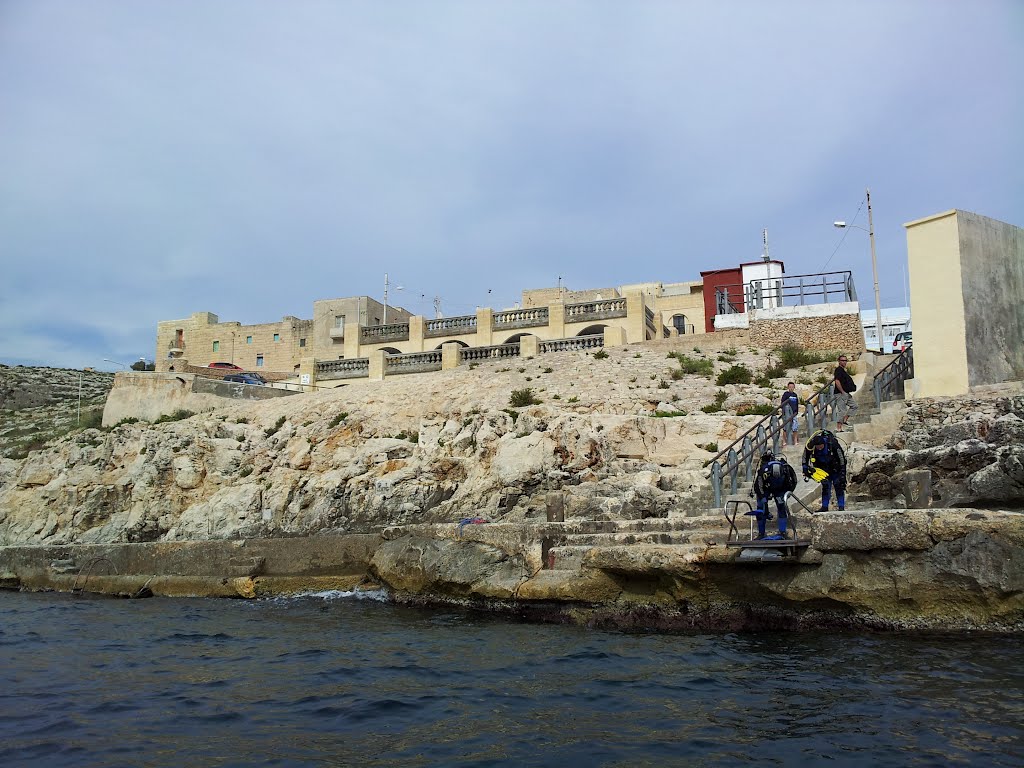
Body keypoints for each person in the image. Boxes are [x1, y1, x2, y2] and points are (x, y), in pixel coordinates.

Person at [750, 451, 798, 539]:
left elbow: (794, 481)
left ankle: (783, 532)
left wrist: (787, 494)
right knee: (761, 508)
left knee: (781, 507)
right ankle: (761, 533)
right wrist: (764, 500)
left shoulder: (786, 469)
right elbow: (758, 487)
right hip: (766, 487)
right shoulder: (763, 471)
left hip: (780, 488)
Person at [802, 429, 847, 512]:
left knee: (838, 485)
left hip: (835, 468)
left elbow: (842, 458)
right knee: (825, 487)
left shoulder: (832, 444)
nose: (819, 448)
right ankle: (824, 506)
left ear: (824, 443)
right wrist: (805, 468)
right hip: (822, 470)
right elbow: (805, 457)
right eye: (817, 447)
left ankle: (841, 506)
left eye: (821, 446)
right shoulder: (811, 446)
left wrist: (843, 473)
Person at [832, 354, 858, 431]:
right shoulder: (838, 370)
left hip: (846, 393)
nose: (844, 362)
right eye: (842, 360)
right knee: (842, 410)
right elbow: (837, 381)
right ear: (839, 361)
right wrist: (842, 391)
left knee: (854, 406)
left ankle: (845, 420)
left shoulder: (843, 370)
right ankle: (839, 428)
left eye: (845, 360)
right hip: (840, 393)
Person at [780, 381, 800, 446]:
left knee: (795, 427)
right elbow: (782, 403)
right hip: (787, 414)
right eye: (790, 387)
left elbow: (797, 403)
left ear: (794, 387)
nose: (791, 388)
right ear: (788, 387)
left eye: (792, 387)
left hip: (794, 413)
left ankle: (795, 440)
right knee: (785, 427)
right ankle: (784, 441)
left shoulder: (795, 395)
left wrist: (796, 411)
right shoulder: (786, 394)